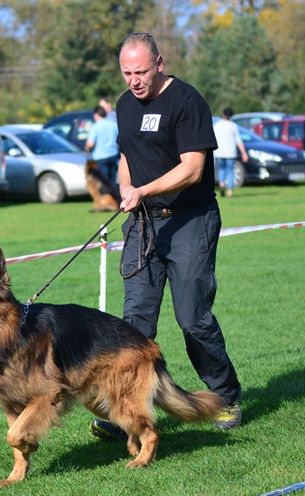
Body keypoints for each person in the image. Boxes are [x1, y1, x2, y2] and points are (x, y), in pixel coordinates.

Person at [89, 32, 242, 441]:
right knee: (133, 324)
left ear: (160, 63)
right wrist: (126, 188)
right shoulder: (124, 106)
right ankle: (128, 410)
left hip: (190, 219)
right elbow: (126, 156)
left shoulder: (187, 102)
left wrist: (144, 189)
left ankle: (224, 395)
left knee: (193, 318)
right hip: (143, 222)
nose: (134, 80)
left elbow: (192, 168)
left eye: (140, 71)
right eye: (126, 73)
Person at [212, 107, 248, 198]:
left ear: (223, 114)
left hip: (219, 152)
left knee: (221, 170)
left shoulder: (217, 125)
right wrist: (244, 153)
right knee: (230, 171)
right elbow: (238, 140)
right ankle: (229, 190)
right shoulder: (233, 126)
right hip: (230, 153)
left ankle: (222, 183)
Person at [85, 105, 120, 185]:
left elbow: (90, 145)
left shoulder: (95, 127)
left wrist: (87, 148)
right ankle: (114, 196)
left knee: (104, 182)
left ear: (96, 115)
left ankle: (107, 196)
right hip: (113, 155)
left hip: (100, 158)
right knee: (113, 181)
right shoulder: (113, 124)